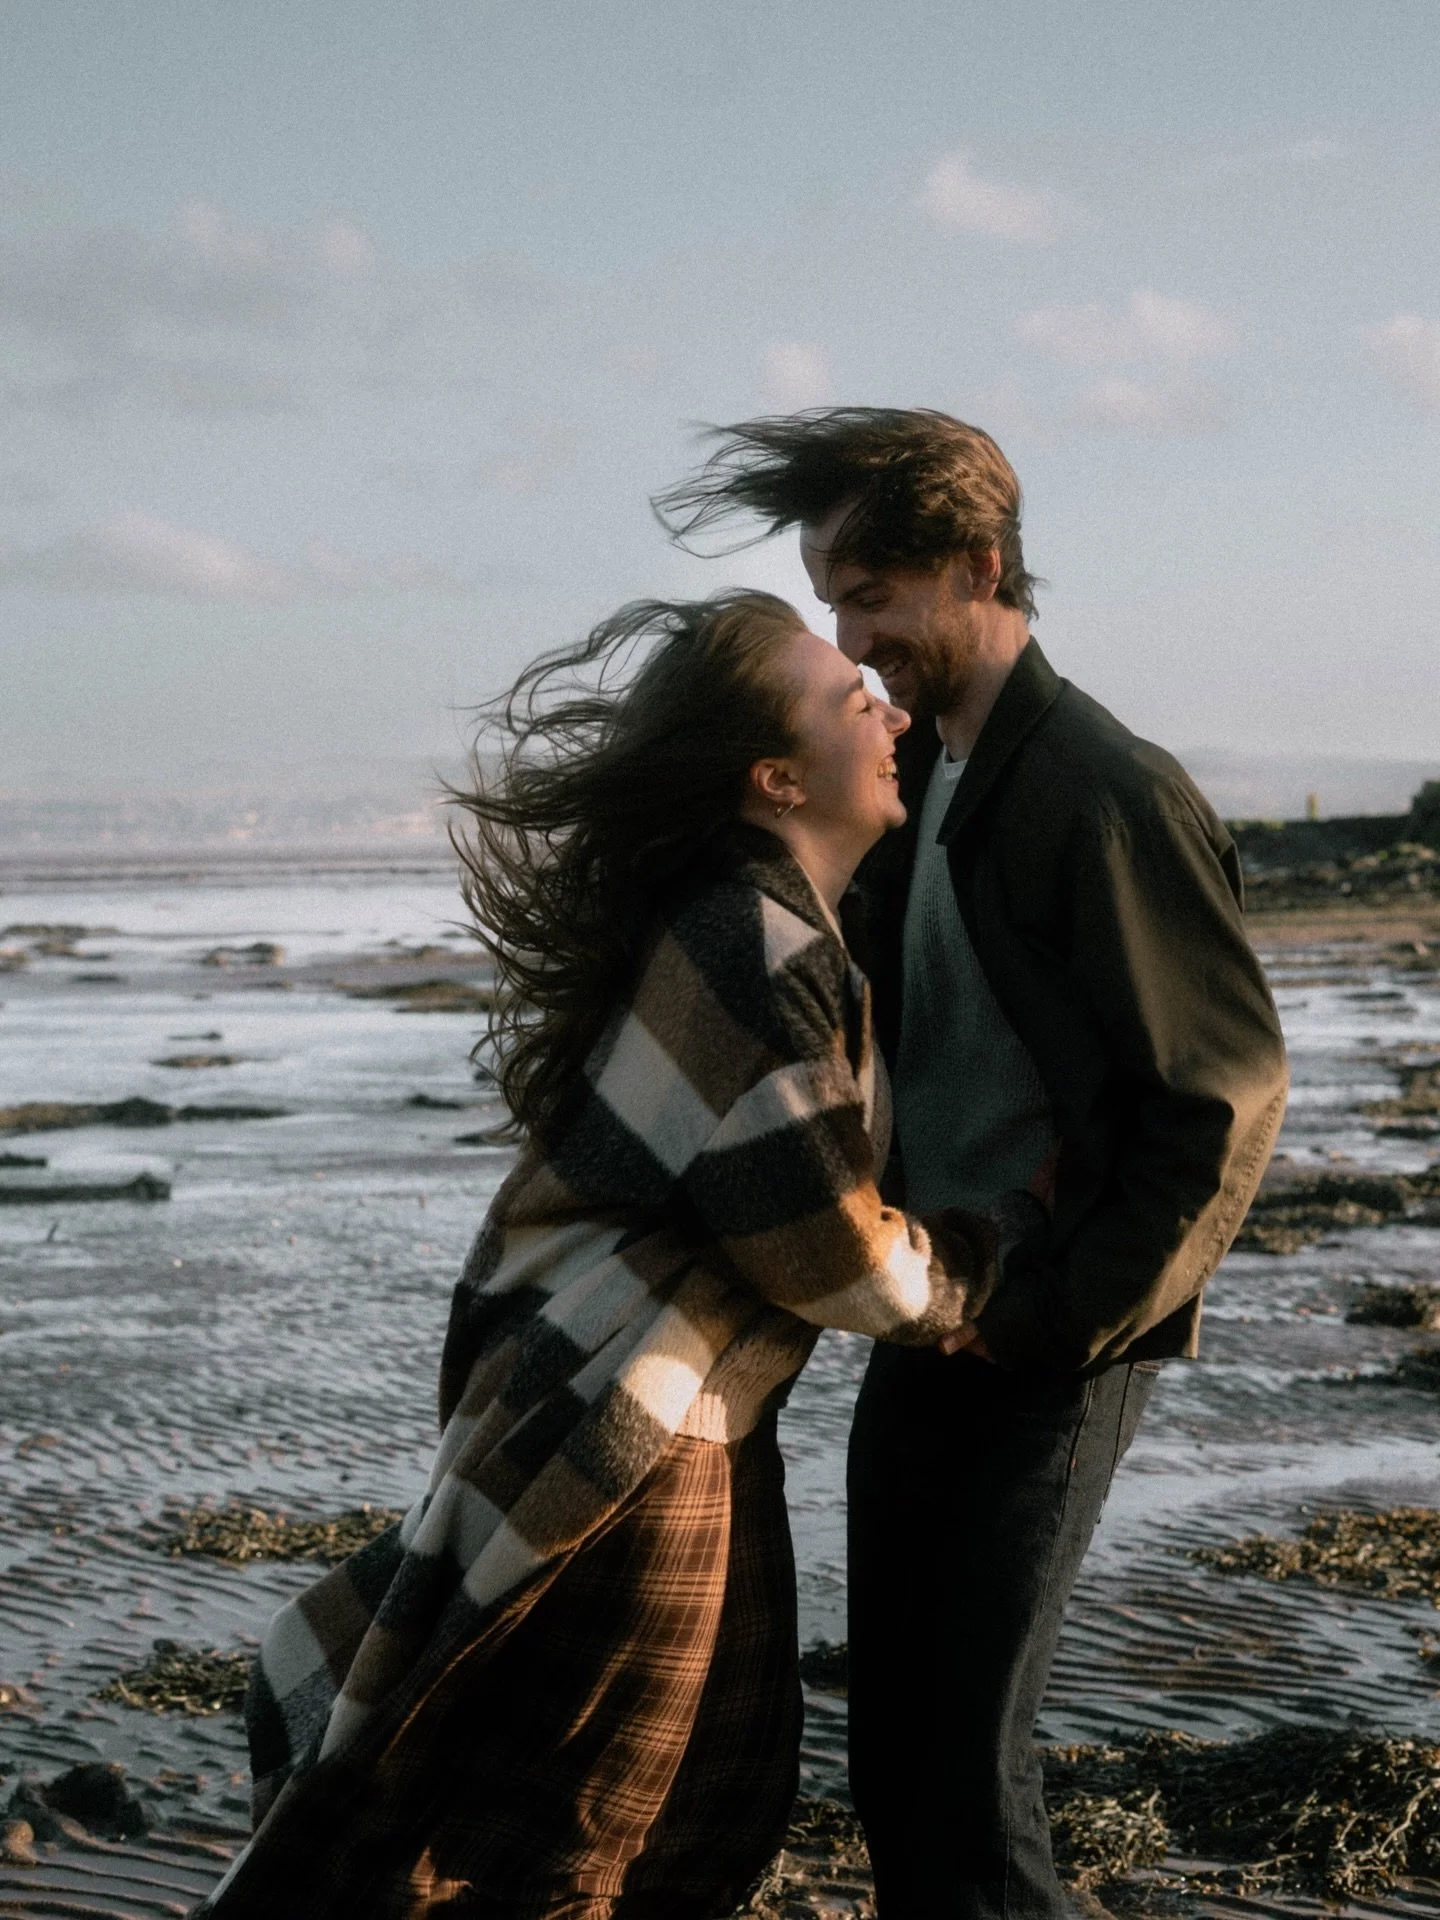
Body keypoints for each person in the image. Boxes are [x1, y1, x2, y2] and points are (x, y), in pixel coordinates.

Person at [194, 590, 1011, 1920]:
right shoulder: (749, 940)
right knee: (570, 1848)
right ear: (776, 777)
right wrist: (979, 1264)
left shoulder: (768, 926)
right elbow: (832, 1252)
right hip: (634, 1427)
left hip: (669, 1416)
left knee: (652, 1820)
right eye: (855, 700)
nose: (895, 716)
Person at [656, 414, 1290, 1920]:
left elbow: (1222, 1100)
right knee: (895, 1752)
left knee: (960, 1770)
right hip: (935, 1306)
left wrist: (1061, 1321)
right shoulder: (930, 773)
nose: (851, 638)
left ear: (980, 567)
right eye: (831, 599)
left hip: (1051, 1334)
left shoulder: (1101, 791)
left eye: (873, 594)